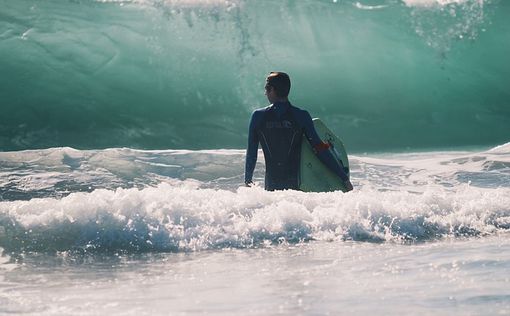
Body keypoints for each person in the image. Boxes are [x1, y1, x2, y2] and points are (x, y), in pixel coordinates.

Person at [244, 72, 353, 192]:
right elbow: (320, 149)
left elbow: (252, 153)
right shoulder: (301, 116)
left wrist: (248, 181)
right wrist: (343, 177)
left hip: (271, 191)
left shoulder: (258, 116)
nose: (265, 93)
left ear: (273, 90)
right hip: (297, 190)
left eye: (266, 89)